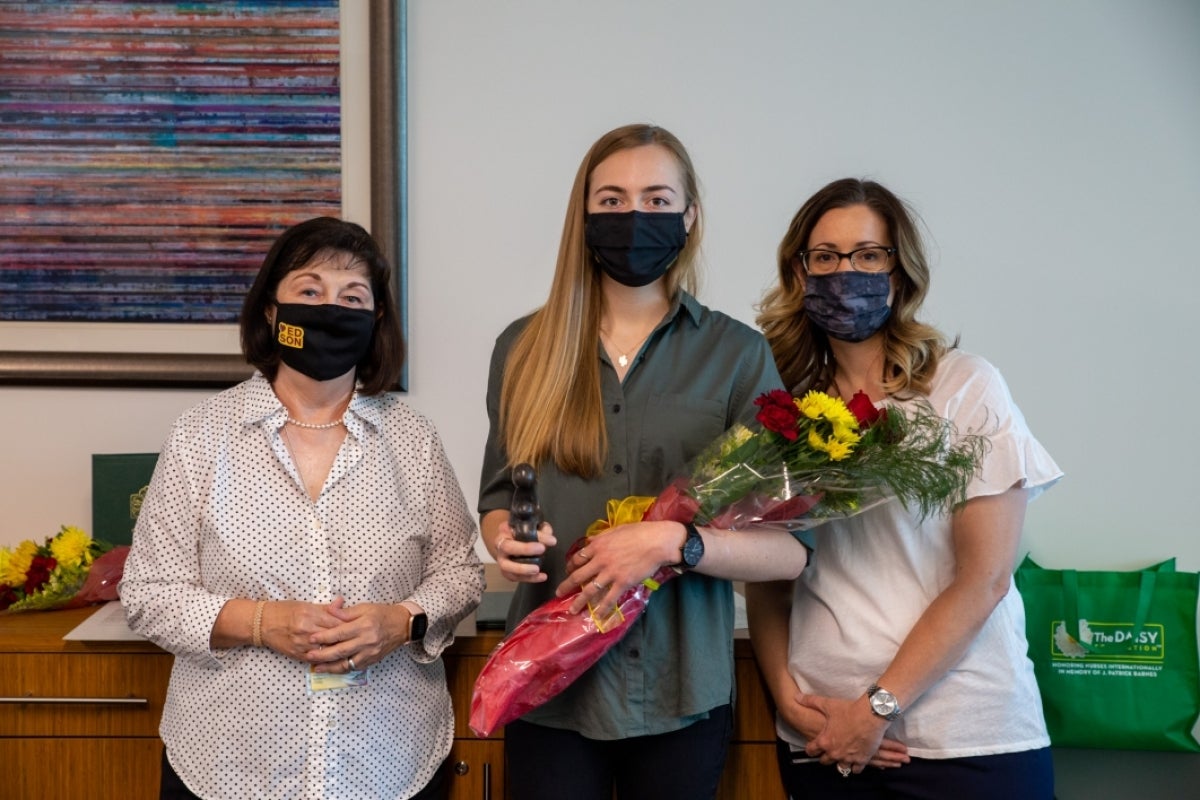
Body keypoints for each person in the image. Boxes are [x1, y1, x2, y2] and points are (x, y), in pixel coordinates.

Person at [477, 123, 810, 800]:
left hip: (679, 691)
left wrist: (671, 543)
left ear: (690, 218)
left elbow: (788, 551)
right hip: (548, 682)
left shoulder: (738, 355)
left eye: (658, 200)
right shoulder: (521, 348)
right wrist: (504, 539)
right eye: (613, 200)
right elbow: (496, 500)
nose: (635, 217)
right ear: (584, 217)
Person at [119, 217, 484, 800]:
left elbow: (460, 573)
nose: (330, 309)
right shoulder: (200, 435)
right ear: (271, 310)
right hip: (228, 766)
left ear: (376, 320)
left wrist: (401, 621)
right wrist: (264, 622)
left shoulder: (414, 440)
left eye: (352, 297)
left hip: (387, 761)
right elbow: (148, 593)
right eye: (309, 291)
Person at [747, 178, 1062, 799]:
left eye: (869, 255)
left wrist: (876, 709)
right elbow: (767, 572)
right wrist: (787, 696)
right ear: (800, 271)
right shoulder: (780, 403)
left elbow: (986, 578)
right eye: (827, 257)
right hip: (823, 733)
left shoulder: (966, 386)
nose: (846, 273)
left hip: (966, 736)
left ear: (901, 271)